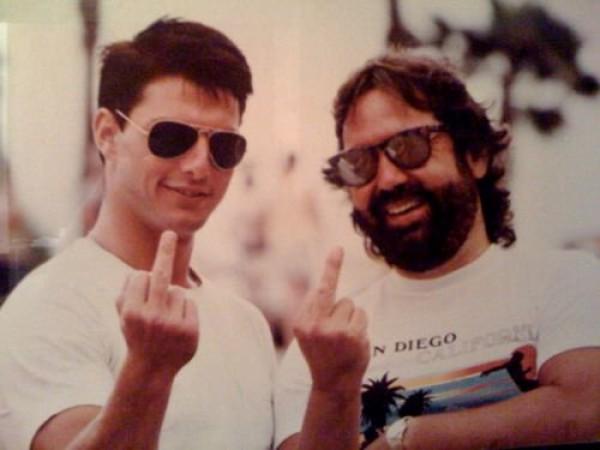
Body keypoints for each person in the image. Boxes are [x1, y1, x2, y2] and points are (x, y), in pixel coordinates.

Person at [275, 52, 600, 450]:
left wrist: (410, 438)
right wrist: (333, 388)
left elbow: (586, 407)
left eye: (410, 146)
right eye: (359, 163)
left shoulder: (567, 281)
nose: (388, 179)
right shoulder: (325, 344)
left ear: (475, 154)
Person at [0, 18, 276, 450]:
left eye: (224, 146)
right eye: (172, 137)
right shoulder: (47, 307)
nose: (199, 165)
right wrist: (149, 371)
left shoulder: (247, 324)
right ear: (107, 134)